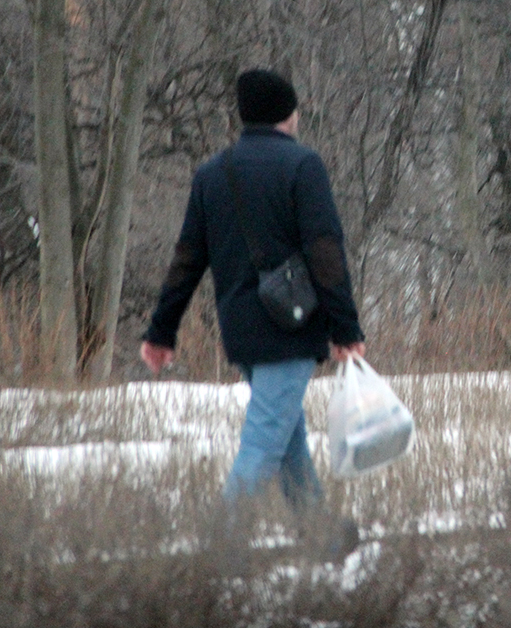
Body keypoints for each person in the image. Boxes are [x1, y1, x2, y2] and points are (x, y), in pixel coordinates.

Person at [140, 68, 365, 560]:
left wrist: (162, 330)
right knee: (264, 441)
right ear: (289, 113)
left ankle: (321, 534)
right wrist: (346, 327)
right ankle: (217, 553)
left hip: (240, 331)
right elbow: (326, 252)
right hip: (291, 326)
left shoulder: (211, 174)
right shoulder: (303, 167)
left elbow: (187, 259)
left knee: (286, 436)